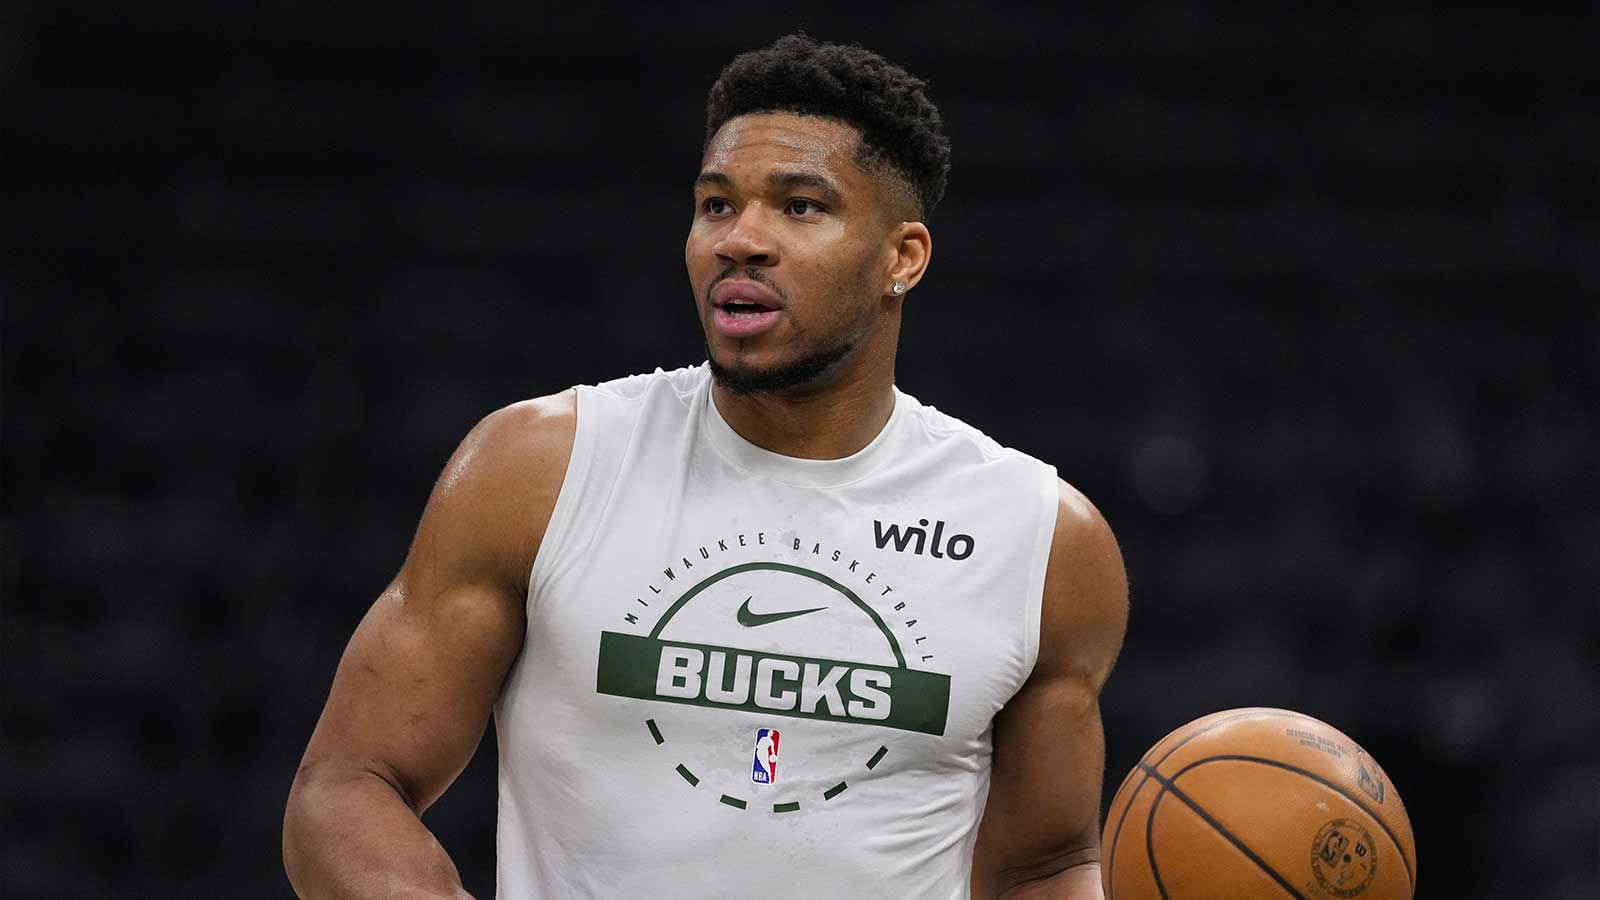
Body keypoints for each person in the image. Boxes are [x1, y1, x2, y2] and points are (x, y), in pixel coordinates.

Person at [283, 33, 1127, 900]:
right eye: (717, 205)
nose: (742, 239)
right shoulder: (539, 467)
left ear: (900, 259)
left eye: (800, 207)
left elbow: (1045, 863)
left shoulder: (1041, 536)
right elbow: (350, 783)